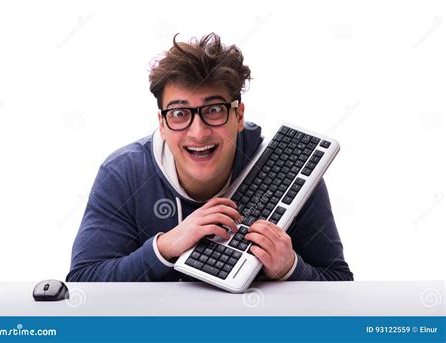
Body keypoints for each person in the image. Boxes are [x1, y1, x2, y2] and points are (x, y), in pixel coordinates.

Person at [66, 33, 353, 283]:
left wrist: (291, 270)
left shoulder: (293, 171)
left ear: (238, 116)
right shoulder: (123, 174)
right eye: (179, 113)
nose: (199, 132)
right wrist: (164, 247)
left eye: (214, 110)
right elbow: (84, 281)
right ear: (162, 124)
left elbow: (339, 283)